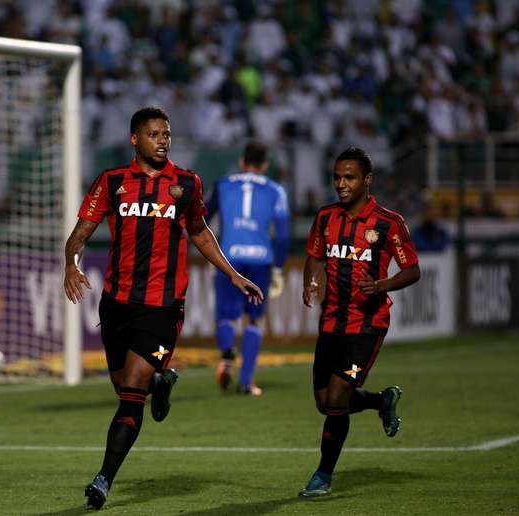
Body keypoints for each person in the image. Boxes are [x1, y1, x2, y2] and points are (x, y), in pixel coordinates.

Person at [63, 107, 263, 510]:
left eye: (166, 134)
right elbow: (81, 232)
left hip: (163, 305)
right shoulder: (113, 182)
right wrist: (71, 262)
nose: (162, 140)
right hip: (117, 303)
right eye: (153, 134)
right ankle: (161, 383)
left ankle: (103, 479)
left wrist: (232, 274)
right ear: (134, 139)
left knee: (130, 392)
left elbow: (201, 234)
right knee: (124, 386)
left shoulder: (186, 184)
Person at [299, 146, 421, 498]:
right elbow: (314, 256)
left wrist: (382, 285)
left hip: (367, 325)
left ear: (367, 179)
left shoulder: (388, 223)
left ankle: (322, 475)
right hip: (331, 323)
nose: (341, 183)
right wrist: (310, 281)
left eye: (349, 177)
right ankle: (381, 400)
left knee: (337, 398)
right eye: (337, 176)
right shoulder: (325, 217)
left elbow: (412, 269)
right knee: (325, 402)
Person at [206, 140, 290, 395]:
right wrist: (277, 267)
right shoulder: (277, 191)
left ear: (242, 162)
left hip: (229, 258)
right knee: (254, 319)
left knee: (226, 316)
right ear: (264, 165)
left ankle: (228, 354)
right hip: (260, 260)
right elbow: (284, 236)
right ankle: (245, 382)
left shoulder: (222, 184)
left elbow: (203, 218)